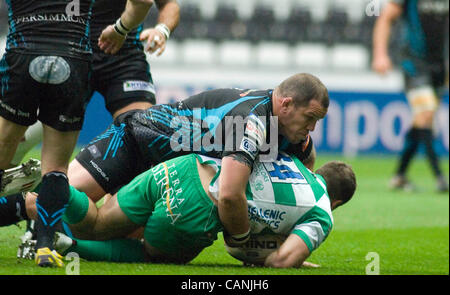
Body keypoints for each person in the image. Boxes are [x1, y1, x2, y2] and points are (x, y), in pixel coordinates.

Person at [67, 73, 329, 246]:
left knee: (109, 235)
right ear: (286, 105)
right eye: (309, 118)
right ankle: (27, 201)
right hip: (134, 141)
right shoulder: (250, 120)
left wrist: (284, 242)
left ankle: (54, 239)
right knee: (66, 197)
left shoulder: (294, 139)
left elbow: (298, 191)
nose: (312, 128)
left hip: (163, 173)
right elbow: (228, 194)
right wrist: (242, 242)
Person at [0, 0, 155, 267]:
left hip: (23, 56)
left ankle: (23, 212)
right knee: (56, 167)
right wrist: (120, 29)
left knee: (3, 156)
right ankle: (45, 246)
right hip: (72, 59)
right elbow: (143, 2)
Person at [3, 152, 356, 267]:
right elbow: (281, 260)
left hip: (183, 166)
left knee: (93, 221)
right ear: (337, 201)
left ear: (318, 170)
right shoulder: (322, 211)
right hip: (197, 206)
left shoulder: (291, 159)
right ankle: (69, 247)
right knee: (155, 255)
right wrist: (283, 254)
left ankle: (47, 179)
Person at [5, 0, 180, 169]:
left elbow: (168, 4)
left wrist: (162, 30)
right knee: (20, 142)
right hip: (74, 52)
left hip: (122, 58)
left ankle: (81, 188)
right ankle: (29, 194)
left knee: (141, 134)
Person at [372, 0, 449, 192]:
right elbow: (385, 18)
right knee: (427, 113)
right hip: (414, 63)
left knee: (422, 121)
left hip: (439, 66)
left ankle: (399, 176)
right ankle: (440, 177)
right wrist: (380, 54)